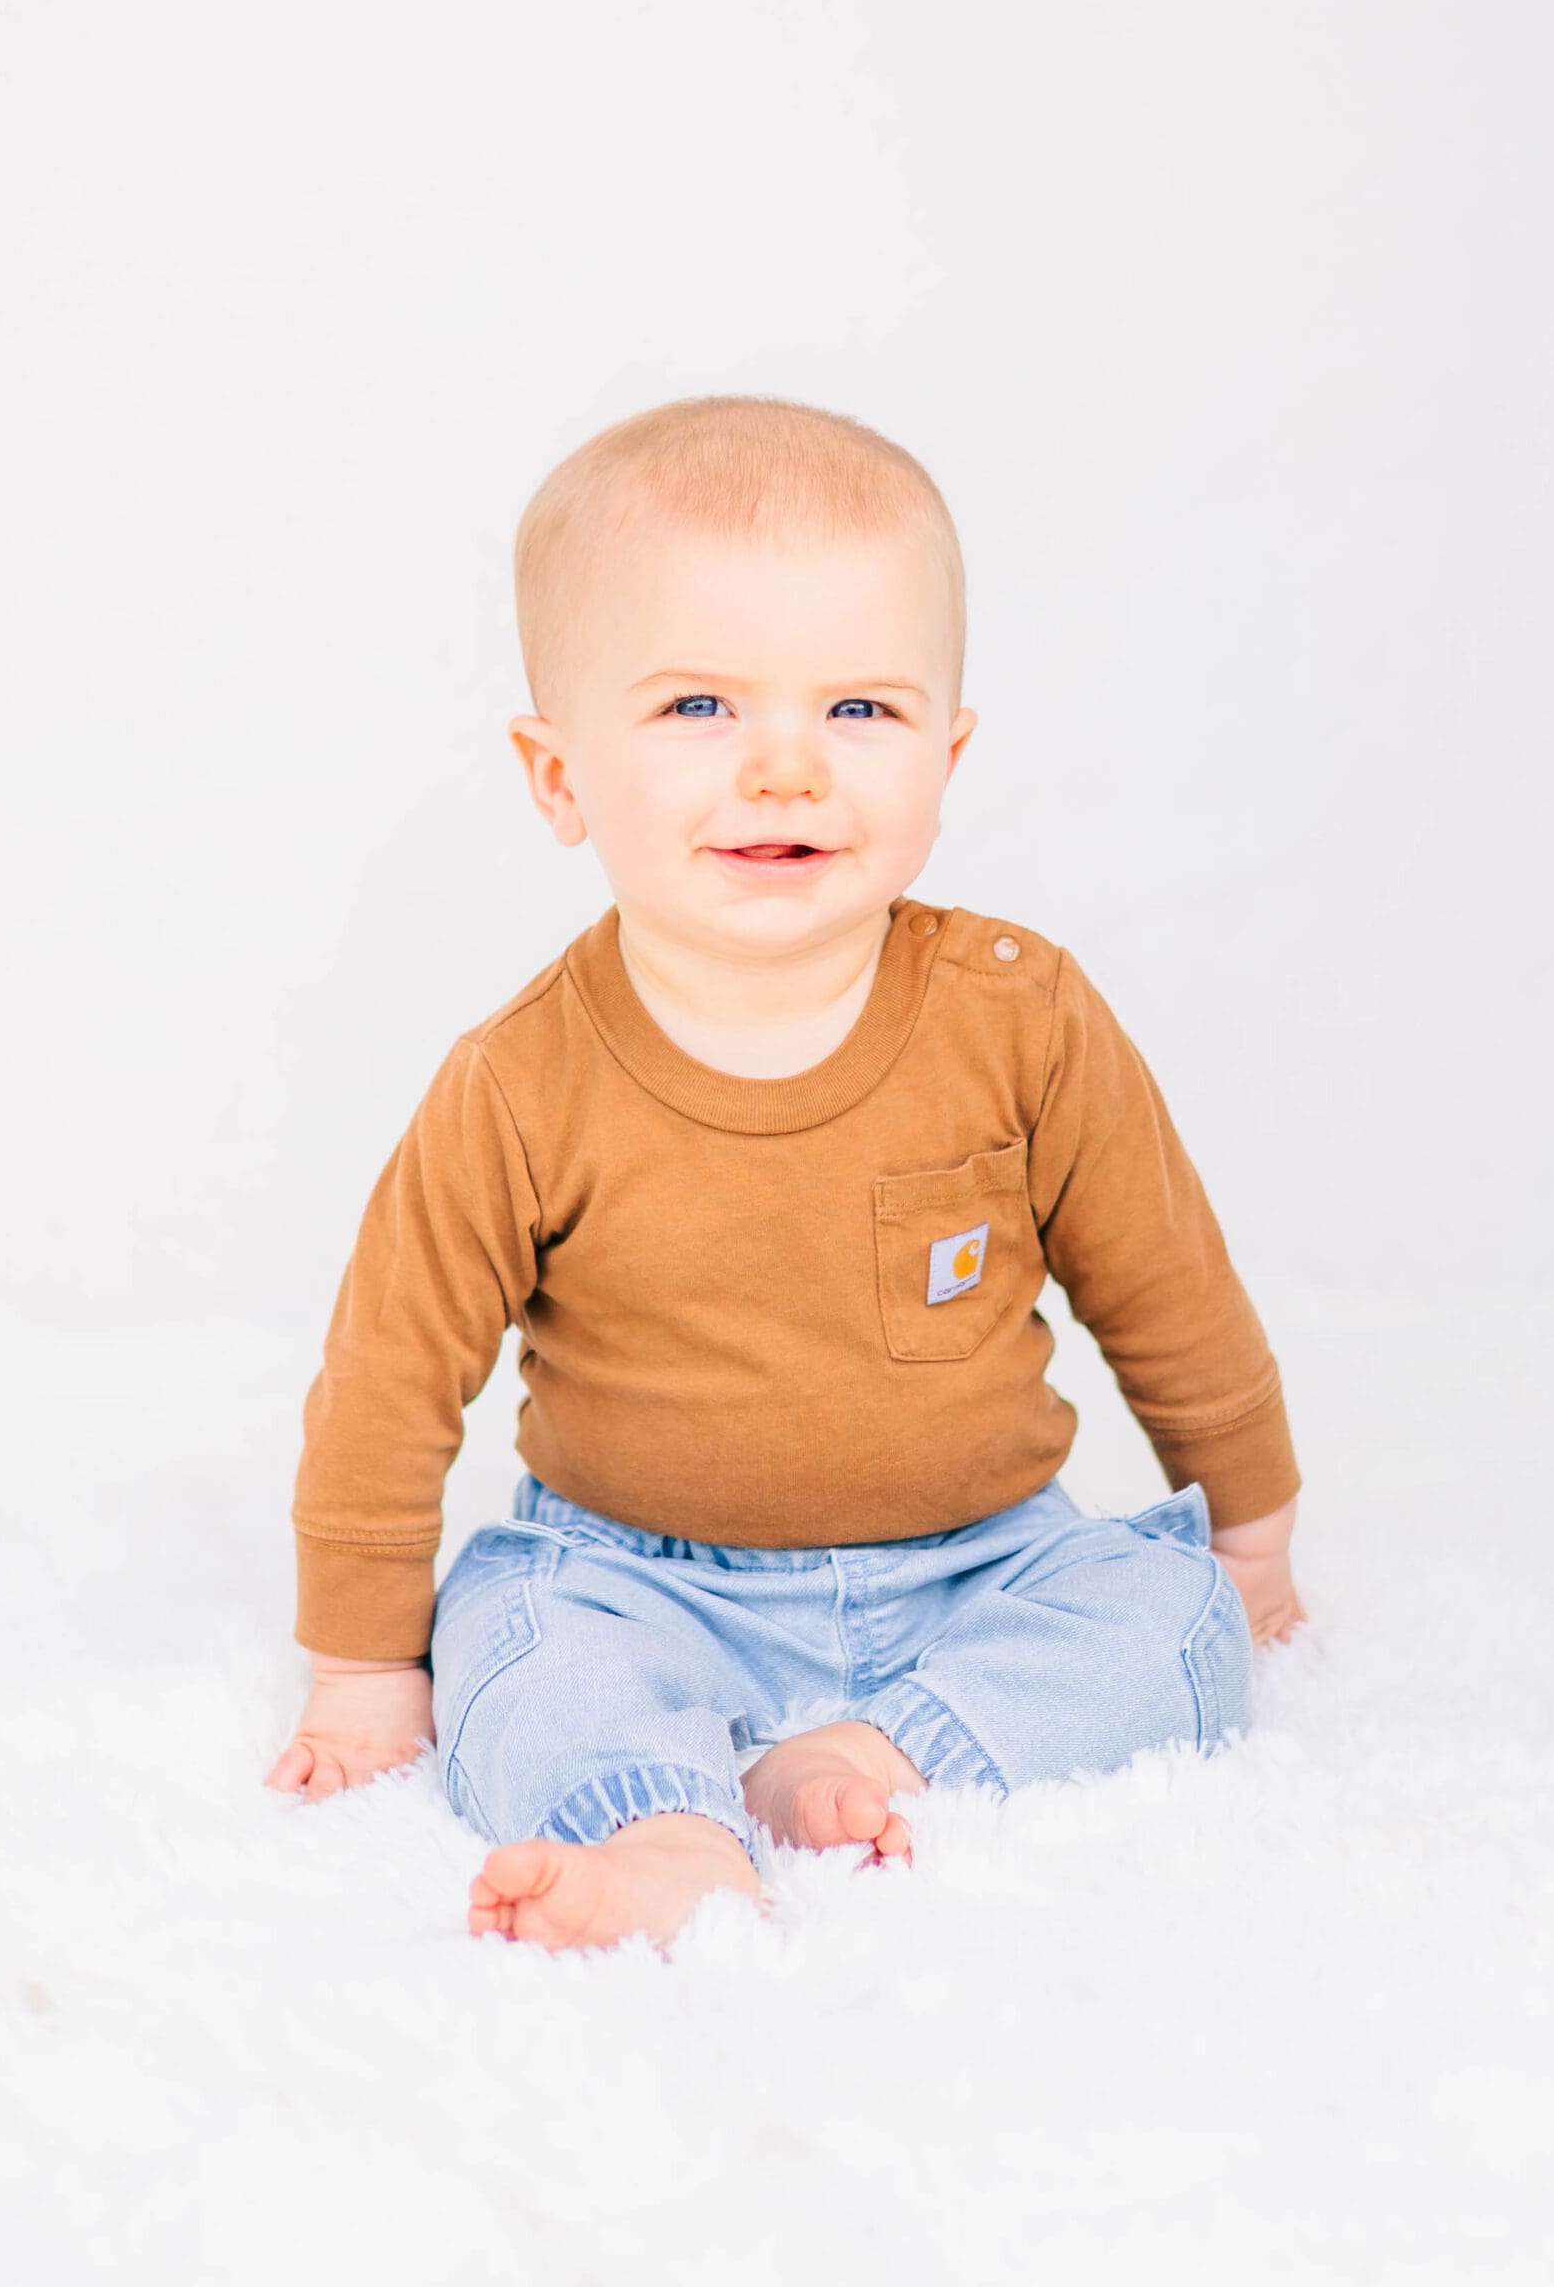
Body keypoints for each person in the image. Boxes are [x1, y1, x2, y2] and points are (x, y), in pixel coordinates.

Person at [264, 393, 1305, 1951]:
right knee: (503, 1643)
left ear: (946, 755)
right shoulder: (517, 1083)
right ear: (558, 779)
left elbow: (1165, 1285)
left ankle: (867, 1759)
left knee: (1173, 1631)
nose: (784, 772)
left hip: (981, 1557)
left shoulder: (1018, 1018)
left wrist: (1251, 1539)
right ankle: (669, 1838)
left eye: (860, 713)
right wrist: (358, 1668)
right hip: (631, 1567)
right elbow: (386, 1381)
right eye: (697, 709)